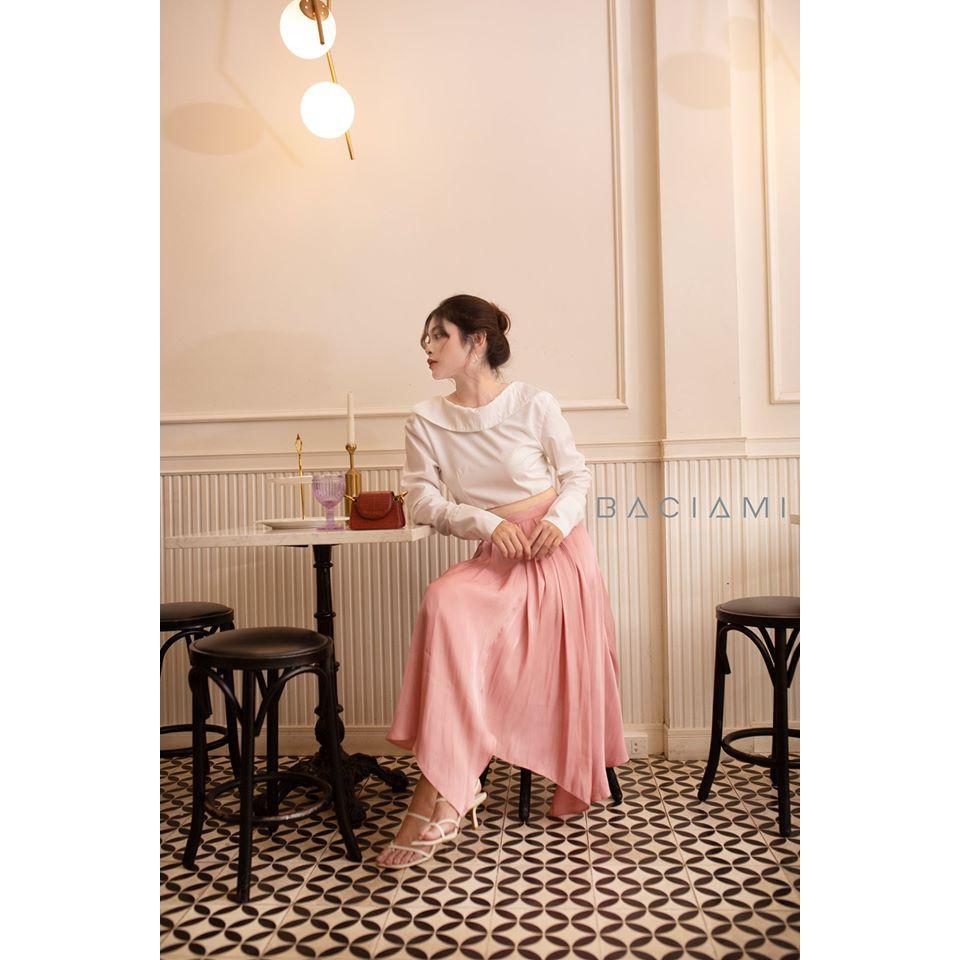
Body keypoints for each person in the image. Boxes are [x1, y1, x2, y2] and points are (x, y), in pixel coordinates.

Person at [376, 294, 629, 868]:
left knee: (457, 615)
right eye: (426, 338)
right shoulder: (426, 420)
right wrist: (487, 523)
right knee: (446, 601)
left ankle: (438, 796)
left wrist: (557, 523)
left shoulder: (533, 403)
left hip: (556, 554)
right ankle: (450, 784)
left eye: (439, 336)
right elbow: (422, 500)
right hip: (498, 553)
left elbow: (576, 476)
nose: (427, 348)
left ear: (477, 341)